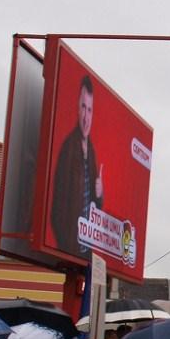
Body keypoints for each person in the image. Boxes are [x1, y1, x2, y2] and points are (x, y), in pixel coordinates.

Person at [50, 73, 103, 254]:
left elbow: (95, 207)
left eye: (90, 110)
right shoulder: (69, 150)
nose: (86, 117)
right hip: (72, 250)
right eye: (83, 107)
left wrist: (99, 194)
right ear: (77, 109)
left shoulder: (93, 151)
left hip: (87, 253)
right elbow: (56, 211)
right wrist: (67, 250)